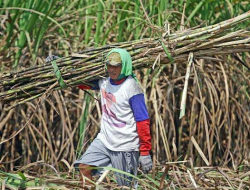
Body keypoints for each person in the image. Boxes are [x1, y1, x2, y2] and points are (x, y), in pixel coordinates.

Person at [47, 48, 152, 188]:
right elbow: (78, 81)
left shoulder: (132, 87)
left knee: (126, 186)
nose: (112, 69)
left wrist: (145, 152)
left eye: (116, 66)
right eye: (109, 65)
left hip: (125, 146)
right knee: (84, 166)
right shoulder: (104, 82)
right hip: (104, 140)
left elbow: (142, 121)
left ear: (125, 66)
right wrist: (59, 65)